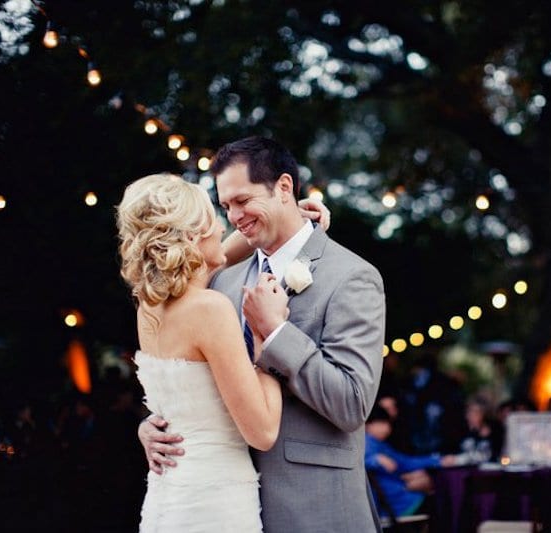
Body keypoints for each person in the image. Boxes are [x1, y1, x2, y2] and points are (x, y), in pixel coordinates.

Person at [138, 136, 387, 532]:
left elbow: (352, 404)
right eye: (225, 206)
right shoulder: (220, 281)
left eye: (243, 201)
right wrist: (156, 424)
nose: (234, 216)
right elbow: (198, 375)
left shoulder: (351, 277)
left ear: (284, 187)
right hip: (224, 504)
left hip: (313, 508)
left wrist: (275, 333)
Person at [117, 173, 285, 531]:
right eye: (215, 219)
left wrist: (289, 216)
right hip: (216, 503)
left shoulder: (148, 307)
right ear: (193, 237)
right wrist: (265, 338)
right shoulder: (209, 309)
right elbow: (263, 432)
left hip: (171, 495)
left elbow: (216, 257)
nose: (224, 228)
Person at [365, 406, 457, 519]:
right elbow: (404, 463)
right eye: (382, 423)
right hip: (400, 502)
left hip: (396, 501)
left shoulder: (378, 444)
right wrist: (375, 459)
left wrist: (436, 460)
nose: (388, 428)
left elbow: (403, 462)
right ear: (368, 424)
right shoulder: (369, 443)